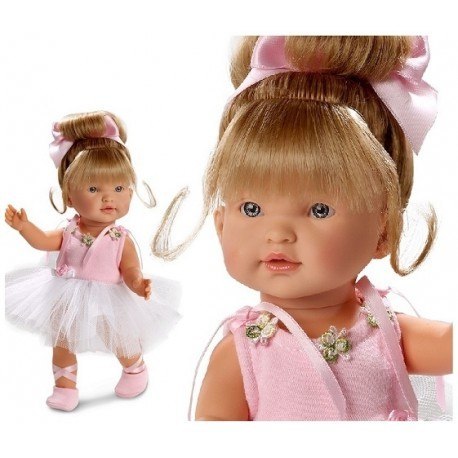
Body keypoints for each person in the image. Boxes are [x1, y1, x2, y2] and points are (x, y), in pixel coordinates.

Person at [153, 36, 452, 420]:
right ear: (221, 223)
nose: (277, 233)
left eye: (319, 210)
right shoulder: (243, 356)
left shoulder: (385, 331)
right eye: (252, 208)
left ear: (384, 229)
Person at [5, 110, 180, 411]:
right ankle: (65, 388)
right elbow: (43, 240)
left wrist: (138, 284)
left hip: (109, 298)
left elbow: (130, 269)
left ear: (130, 192)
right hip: (66, 296)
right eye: (94, 189)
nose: (108, 198)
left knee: (118, 337)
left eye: (119, 188)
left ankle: (135, 369)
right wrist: (25, 227)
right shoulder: (69, 231)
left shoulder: (120, 239)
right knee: (63, 341)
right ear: (69, 196)